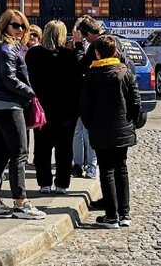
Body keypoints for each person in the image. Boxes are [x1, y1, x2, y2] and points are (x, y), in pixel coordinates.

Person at [0, 9, 45, 221]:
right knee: (19, 153)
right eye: (15, 25)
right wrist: (31, 92)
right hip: (9, 106)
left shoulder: (3, 48)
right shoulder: (8, 48)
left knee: (1, 153)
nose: (20, 30)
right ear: (4, 26)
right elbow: (9, 78)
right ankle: (20, 202)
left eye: (23, 25)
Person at [79, 34, 141, 228]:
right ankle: (125, 214)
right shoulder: (125, 72)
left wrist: (90, 124)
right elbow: (136, 102)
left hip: (100, 129)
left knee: (106, 171)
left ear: (96, 53)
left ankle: (111, 215)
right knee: (121, 169)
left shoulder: (92, 75)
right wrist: (130, 122)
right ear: (115, 52)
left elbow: (85, 107)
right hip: (122, 129)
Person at [26, 19, 82, 194]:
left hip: (41, 108)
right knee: (64, 148)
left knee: (42, 147)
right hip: (66, 110)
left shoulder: (33, 55)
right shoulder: (70, 56)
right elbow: (78, 80)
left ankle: (44, 183)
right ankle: (62, 184)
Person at [71, 16, 104, 178]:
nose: (84, 39)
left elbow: (80, 66)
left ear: (90, 33)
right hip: (89, 95)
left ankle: (91, 167)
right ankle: (81, 165)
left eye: (84, 36)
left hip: (92, 95)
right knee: (80, 132)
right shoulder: (110, 40)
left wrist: (77, 45)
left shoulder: (97, 45)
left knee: (87, 132)